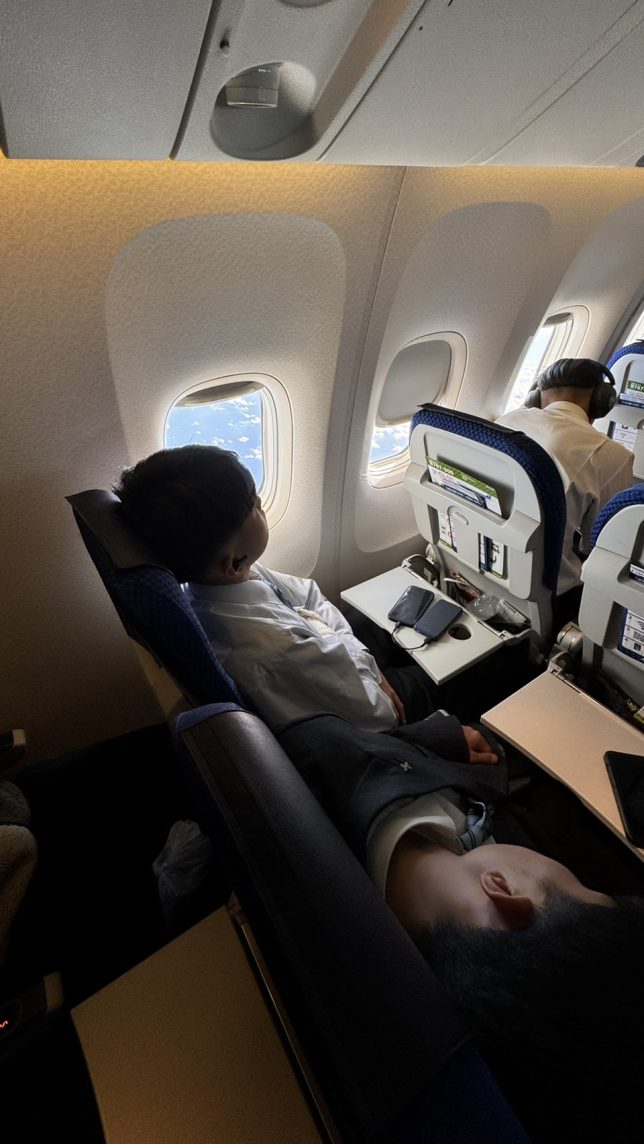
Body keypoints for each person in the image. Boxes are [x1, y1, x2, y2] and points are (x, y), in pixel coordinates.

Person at [278, 708, 644, 1142]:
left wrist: (434, 738)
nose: (571, 873)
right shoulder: (463, 952)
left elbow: (362, 746)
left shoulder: (324, 757)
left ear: (503, 889)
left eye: (582, 886)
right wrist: (442, 739)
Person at [114, 445, 497, 761]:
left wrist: (361, 657)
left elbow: (309, 592)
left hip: (343, 665)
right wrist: (371, 671)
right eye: (253, 505)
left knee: (382, 618)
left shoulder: (232, 577)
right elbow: (378, 714)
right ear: (232, 561)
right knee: (474, 667)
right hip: (372, 710)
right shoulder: (269, 650)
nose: (261, 502)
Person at [498, 358, 634, 604]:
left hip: (485, 559)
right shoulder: (612, 455)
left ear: (535, 397)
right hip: (550, 591)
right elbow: (604, 546)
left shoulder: (505, 421)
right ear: (602, 400)